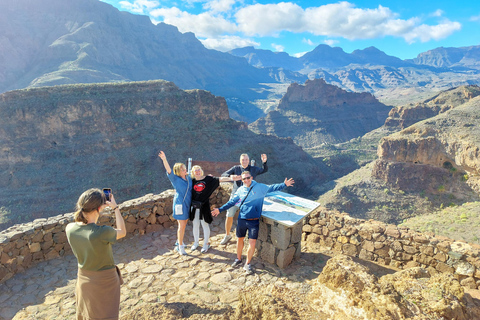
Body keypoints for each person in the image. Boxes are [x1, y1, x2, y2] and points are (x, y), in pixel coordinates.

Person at [212, 171, 294, 275]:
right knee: (240, 239)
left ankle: (247, 263)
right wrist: (220, 209)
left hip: (254, 221)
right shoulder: (240, 190)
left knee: (252, 243)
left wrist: (284, 184)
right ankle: (238, 259)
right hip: (242, 218)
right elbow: (232, 202)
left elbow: (272, 188)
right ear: (241, 180)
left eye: (248, 178)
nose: (246, 180)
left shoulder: (260, 187)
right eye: (244, 179)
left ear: (251, 177)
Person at [66, 188, 127, 320]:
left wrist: (97, 209)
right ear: (99, 208)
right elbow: (122, 231)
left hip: (84, 282)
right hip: (105, 283)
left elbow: (84, 228)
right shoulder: (102, 232)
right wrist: (115, 207)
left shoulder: (70, 229)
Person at [220, 153, 268, 245]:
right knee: (229, 214)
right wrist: (230, 177)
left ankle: (246, 237)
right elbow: (223, 174)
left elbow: (264, 170)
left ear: (248, 161)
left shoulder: (253, 169)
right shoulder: (236, 168)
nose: (244, 161)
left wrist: (264, 162)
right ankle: (227, 235)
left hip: (249, 197)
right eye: (243, 160)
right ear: (240, 161)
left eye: (246, 160)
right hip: (236, 196)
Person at [190, 165, 237, 253]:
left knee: (205, 225)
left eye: (198, 170)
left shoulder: (207, 179)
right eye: (195, 170)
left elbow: (220, 179)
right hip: (194, 206)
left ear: (201, 171)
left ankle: (206, 244)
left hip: (204, 206)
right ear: (193, 172)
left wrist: (232, 178)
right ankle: (196, 243)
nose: (197, 172)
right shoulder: (191, 181)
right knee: (195, 225)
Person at [158, 150, 192, 255]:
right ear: (178, 171)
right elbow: (168, 170)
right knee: (181, 225)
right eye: (182, 169)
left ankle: (179, 241)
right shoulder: (175, 179)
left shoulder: (189, 178)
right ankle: (180, 247)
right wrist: (164, 159)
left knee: (185, 223)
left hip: (188, 204)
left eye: (184, 168)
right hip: (180, 205)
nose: (184, 170)